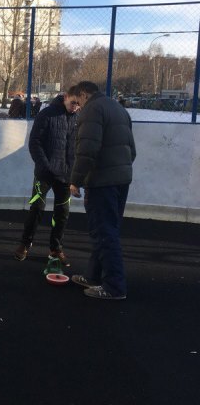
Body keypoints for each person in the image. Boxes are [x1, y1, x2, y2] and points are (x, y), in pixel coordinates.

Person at [69, 81, 136, 300]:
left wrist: (76, 181)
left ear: (83, 94)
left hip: (102, 182)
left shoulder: (92, 110)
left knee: (104, 232)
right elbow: (132, 150)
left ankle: (114, 286)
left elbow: (87, 150)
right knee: (108, 229)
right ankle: (93, 276)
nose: (78, 107)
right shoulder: (118, 108)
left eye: (77, 102)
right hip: (121, 180)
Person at [15, 87, 79, 266]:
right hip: (45, 174)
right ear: (65, 97)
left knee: (62, 213)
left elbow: (79, 147)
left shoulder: (79, 119)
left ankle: (55, 249)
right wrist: (45, 165)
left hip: (66, 175)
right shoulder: (47, 114)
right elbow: (34, 143)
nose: (75, 106)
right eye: (73, 102)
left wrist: (75, 173)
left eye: (79, 104)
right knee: (36, 208)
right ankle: (25, 243)